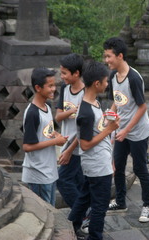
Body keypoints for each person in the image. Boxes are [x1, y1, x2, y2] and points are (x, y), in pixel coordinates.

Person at [103, 37, 149, 222]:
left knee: (140, 169)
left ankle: (148, 205)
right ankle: (121, 201)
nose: (106, 60)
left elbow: (142, 107)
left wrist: (126, 130)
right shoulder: (113, 76)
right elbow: (117, 101)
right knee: (118, 167)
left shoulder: (133, 78)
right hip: (121, 130)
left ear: (120, 56)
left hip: (138, 132)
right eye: (105, 56)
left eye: (109, 56)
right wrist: (109, 115)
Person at [68, 60, 119, 240]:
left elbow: (96, 130)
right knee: (100, 204)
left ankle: (72, 223)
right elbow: (85, 144)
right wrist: (109, 130)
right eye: (105, 82)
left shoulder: (94, 103)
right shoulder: (86, 112)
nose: (107, 85)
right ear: (97, 84)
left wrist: (107, 122)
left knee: (85, 196)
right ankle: (95, 236)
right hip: (97, 165)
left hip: (99, 162)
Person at [22, 68, 68, 206]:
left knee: (51, 211)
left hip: (49, 170)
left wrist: (57, 136)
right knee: (45, 212)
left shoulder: (47, 106)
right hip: (38, 174)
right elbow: (27, 146)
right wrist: (55, 141)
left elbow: (46, 133)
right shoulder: (32, 113)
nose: (54, 89)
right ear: (38, 88)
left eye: (54, 85)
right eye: (50, 86)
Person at [55, 53, 85, 209]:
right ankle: (87, 212)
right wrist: (72, 110)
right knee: (79, 183)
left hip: (77, 147)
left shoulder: (86, 95)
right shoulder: (65, 88)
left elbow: (84, 130)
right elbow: (58, 117)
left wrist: (69, 151)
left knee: (63, 180)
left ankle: (80, 212)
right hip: (67, 145)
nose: (62, 76)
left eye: (65, 73)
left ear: (76, 73)